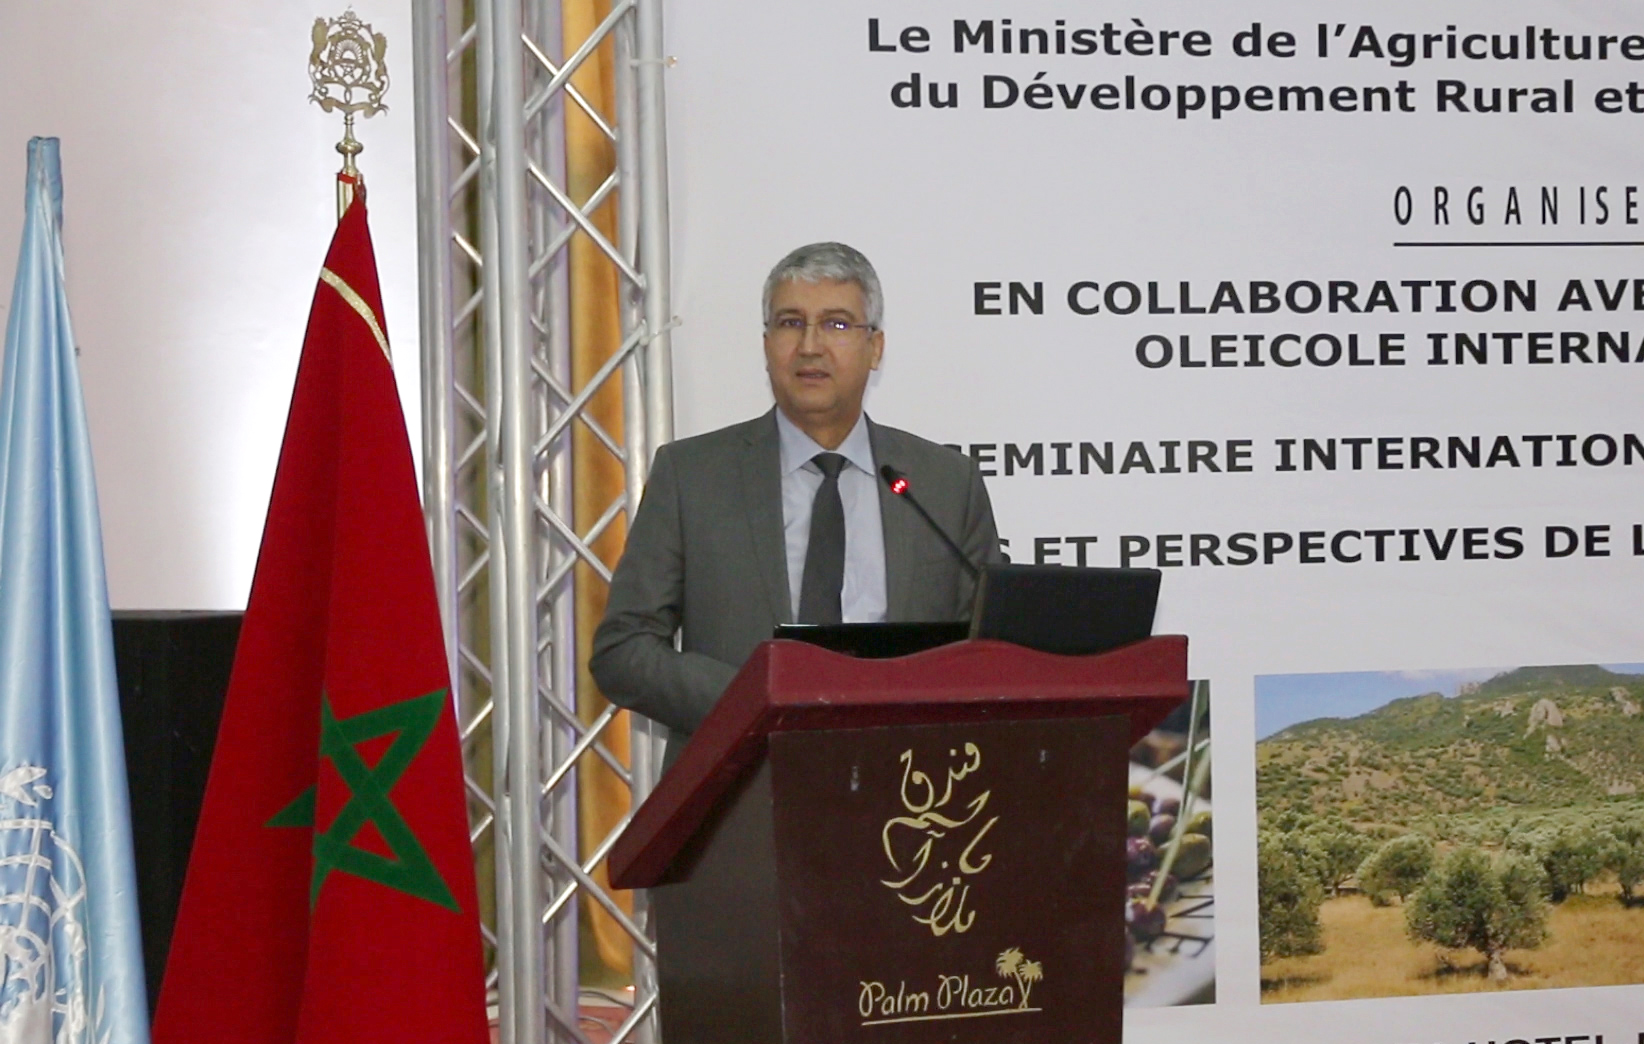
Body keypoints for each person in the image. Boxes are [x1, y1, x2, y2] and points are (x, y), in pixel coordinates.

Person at [589, 242, 1001, 765]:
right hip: (740, 784)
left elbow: (992, 651)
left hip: (909, 784)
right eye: (790, 323)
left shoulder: (944, 483)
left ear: (875, 348)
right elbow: (623, 649)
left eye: (836, 324)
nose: (809, 346)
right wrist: (756, 701)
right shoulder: (691, 476)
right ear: (766, 345)